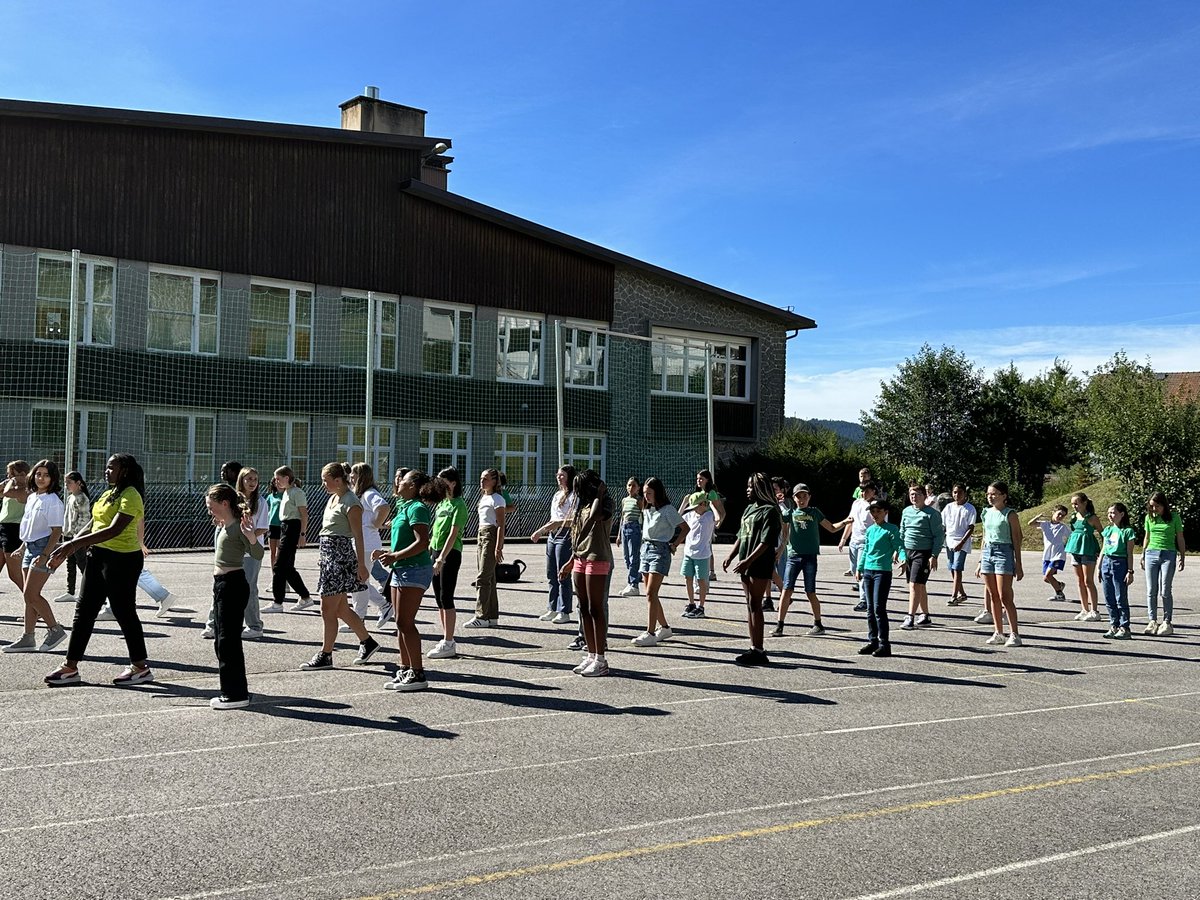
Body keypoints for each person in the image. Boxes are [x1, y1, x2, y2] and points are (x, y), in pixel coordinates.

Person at [45, 454, 153, 686]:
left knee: (124, 612)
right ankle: (70, 666)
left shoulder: (131, 495)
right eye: (106, 467)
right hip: (98, 556)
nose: (106, 471)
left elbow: (114, 529)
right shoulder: (108, 493)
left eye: (111, 467)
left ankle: (140, 667)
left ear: (124, 470)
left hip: (123, 560)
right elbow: (93, 523)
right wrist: (69, 543)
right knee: (83, 611)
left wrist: (74, 544)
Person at [298, 463, 379, 670]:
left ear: (337, 480)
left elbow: (358, 537)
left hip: (340, 557)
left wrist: (361, 565)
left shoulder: (352, 503)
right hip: (328, 556)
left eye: (326, 480)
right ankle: (367, 642)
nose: (323, 484)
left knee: (327, 608)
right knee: (341, 607)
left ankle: (326, 654)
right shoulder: (333, 497)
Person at [373, 469, 440, 691]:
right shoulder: (405, 506)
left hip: (414, 569)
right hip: (401, 568)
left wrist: (395, 556)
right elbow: (403, 542)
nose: (398, 482)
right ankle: (404, 669)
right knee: (400, 623)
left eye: (403, 479)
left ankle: (418, 674)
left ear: (412, 486)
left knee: (405, 622)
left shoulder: (418, 508)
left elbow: (422, 543)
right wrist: (387, 553)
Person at [204, 483, 263, 709]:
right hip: (222, 585)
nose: (209, 510)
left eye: (212, 505)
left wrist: (251, 537)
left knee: (228, 642)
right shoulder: (224, 525)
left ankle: (235, 694)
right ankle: (234, 690)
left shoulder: (239, 526)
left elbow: (257, 553)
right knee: (222, 641)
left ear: (224, 503)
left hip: (233, 584)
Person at [3, 460, 68, 653]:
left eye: (46, 475)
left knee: (31, 594)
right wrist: (23, 547)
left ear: (53, 478)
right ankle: (28, 638)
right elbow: (29, 526)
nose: (41, 478)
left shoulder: (53, 501)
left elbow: (56, 531)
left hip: (42, 549)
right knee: (28, 597)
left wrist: (45, 554)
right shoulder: (32, 497)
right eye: (38, 474)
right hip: (29, 547)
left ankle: (54, 629)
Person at [723, 473, 782, 667]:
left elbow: (767, 541)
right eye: (747, 486)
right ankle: (753, 647)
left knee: (756, 603)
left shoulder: (770, 510)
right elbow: (742, 535)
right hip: (745, 563)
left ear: (760, 488)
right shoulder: (749, 509)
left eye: (751, 486)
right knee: (749, 604)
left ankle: (759, 650)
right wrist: (731, 555)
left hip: (758, 563)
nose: (747, 490)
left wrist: (748, 560)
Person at [772, 483, 846, 637]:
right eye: (799, 496)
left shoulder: (814, 512)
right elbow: (776, 514)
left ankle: (818, 624)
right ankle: (779, 625)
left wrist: (845, 522)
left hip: (810, 557)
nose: (802, 499)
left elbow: (831, 528)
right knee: (786, 590)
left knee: (810, 591)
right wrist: (776, 500)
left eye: (805, 495)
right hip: (794, 556)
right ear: (794, 498)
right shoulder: (790, 513)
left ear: (809, 497)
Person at [563, 469, 615, 677]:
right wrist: (571, 560)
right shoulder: (582, 505)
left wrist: (600, 494)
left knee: (596, 608)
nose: (576, 492)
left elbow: (594, 518)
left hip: (598, 557)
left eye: (579, 488)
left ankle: (601, 659)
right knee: (583, 607)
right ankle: (591, 654)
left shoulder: (604, 503)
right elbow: (577, 537)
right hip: (581, 558)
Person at [632, 477, 688, 647]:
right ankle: (664, 628)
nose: (646, 496)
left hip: (660, 551)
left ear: (657, 492)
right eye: (644, 493)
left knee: (651, 593)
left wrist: (675, 544)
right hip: (646, 549)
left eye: (649, 493)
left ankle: (649, 632)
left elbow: (685, 528)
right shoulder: (647, 508)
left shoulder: (668, 510)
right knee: (651, 594)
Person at [975, 481, 1024, 647]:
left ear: (1004, 496)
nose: (990, 497)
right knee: (993, 594)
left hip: (1004, 552)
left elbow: (1017, 538)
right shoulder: (986, 513)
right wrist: (980, 560)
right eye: (988, 494)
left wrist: (1018, 563)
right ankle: (998, 632)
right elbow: (984, 536)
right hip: (988, 552)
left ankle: (1014, 634)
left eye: (994, 494)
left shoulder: (1010, 514)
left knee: (1005, 595)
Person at [428, 466, 468, 659]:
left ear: (452, 483)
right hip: (435, 550)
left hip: (449, 553)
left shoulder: (459, 505)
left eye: (442, 481)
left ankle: (449, 641)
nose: (438, 485)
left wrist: (441, 558)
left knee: (447, 596)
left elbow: (453, 534)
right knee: (438, 598)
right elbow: (436, 529)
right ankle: (446, 639)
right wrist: (431, 551)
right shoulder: (442, 503)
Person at [348, 462, 394, 630]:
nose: (351, 477)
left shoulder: (369, 493)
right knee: (359, 581)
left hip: (367, 544)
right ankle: (382, 606)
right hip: (362, 543)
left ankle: (360, 618)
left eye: (354, 474)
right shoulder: (361, 494)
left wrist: (376, 523)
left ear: (362, 476)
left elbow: (383, 507)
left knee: (359, 581)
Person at [530, 465, 577, 625]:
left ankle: (564, 611)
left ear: (570, 477)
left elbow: (576, 520)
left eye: (562, 475)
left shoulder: (575, 496)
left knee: (562, 573)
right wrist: (541, 531)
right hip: (553, 535)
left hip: (566, 534)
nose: (559, 477)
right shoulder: (557, 495)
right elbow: (553, 519)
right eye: (558, 475)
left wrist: (559, 523)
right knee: (551, 574)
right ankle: (552, 608)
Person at [856, 499, 903, 657]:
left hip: (882, 572)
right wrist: (859, 567)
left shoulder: (891, 529)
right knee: (869, 609)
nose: (875, 515)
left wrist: (903, 559)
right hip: (869, 571)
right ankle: (873, 641)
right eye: (873, 512)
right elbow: (866, 550)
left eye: (878, 511)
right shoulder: (870, 530)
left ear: (885, 512)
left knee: (878, 608)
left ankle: (884, 644)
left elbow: (899, 546)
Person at [898, 483, 945, 630]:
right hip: (909, 551)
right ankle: (925, 615)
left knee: (914, 585)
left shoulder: (932, 514)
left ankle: (910, 617)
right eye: (912, 494)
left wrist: (934, 555)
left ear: (924, 496)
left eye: (917, 494)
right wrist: (899, 551)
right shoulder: (906, 511)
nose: (914, 497)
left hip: (923, 553)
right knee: (920, 585)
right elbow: (902, 532)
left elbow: (938, 536)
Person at [265, 466, 312, 614]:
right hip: (284, 527)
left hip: (292, 527)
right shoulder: (285, 492)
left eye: (279, 478)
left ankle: (277, 602)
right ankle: (305, 597)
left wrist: (302, 534)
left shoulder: (297, 492)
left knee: (279, 566)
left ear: (287, 478)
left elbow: (304, 515)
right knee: (288, 567)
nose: (276, 481)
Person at [1141, 491, 1186, 636]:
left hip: (1168, 554)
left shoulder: (1174, 517)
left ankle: (1167, 622)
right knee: (1151, 590)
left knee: (1165, 590)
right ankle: (1152, 620)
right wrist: (1143, 554)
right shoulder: (1149, 518)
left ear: (1164, 505)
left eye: (1157, 506)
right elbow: (1147, 537)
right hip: (1151, 554)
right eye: (1152, 506)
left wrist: (1182, 555)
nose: (1154, 509)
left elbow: (1180, 537)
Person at [466, 468, 506, 628]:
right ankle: (492, 615)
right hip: (481, 533)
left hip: (490, 535)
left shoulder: (497, 499)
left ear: (495, 481)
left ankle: (481, 616)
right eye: (482, 478)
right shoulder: (484, 497)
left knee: (482, 577)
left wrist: (498, 547)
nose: (482, 481)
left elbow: (501, 525)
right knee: (489, 578)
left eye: (487, 479)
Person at [840, 482, 880, 612]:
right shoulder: (856, 503)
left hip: (866, 542)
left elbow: (881, 525)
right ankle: (869, 593)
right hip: (854, 541)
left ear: (874, 491)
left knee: (861, 571)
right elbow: (850, 521)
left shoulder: (876, 506)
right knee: (854, 570)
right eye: (862, 491)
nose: (864, 494)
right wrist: (843, 539)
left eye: (867, 491)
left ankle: (864, 600)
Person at [54, 470, 92, 604]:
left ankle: (91, 591)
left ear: (79, 483)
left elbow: (85, 519)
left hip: (77, 537)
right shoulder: (70, 497)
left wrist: (77, 535)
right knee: (70, 564)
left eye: (69, 483)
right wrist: (65, 532)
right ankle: (70, 592)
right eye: (65, 483)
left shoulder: (82, 498)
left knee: (82, 564)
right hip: (68, 535)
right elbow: (67, 517)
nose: (66, 485)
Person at [1100, 503, 1136, 640]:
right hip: (1106, 563)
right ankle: (1113, 625)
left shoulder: (1127, 531)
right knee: (1109, 598)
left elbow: (1129, 553)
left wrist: (1130, 571)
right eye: (1109, 513)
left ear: (1122, 514)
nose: (1110, 515)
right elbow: (1104, 549)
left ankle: (1124, 627)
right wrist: (1099, 567)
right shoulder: (1108, 530)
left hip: (1120, 563)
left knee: (1120, 597)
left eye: (1113, 513)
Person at [1064, 492, 1102, 623]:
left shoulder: (1092, 518)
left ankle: (1094, 611)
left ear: (1084, 503)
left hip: (1088, 550)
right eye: (1073, 504)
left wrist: (1103, 550)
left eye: (1077, 503)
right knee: (1080, 581)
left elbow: (1102, 534)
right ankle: (1084, 609)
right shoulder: (1074, 517)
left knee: (1088, 581)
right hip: (1075, 550)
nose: (1074, 506)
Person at [680, 492, 716, 619]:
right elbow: (677, 519)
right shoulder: (690, 515)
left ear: (703, 504)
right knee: (687, 578)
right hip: (688, 552)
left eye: (696, 506)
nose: (694, 509)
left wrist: (712, 504)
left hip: (702, 554)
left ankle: (701, 607)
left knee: (701, 581)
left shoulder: (709, 516)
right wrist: (684, 503)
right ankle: (691, 603)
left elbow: (718, 518)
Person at [941, 484, 977, 606]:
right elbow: (943, 525)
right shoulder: (948, 507)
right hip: (949, 541)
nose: (957, 495)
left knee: (957, 568)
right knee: (951, 567)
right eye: (955, 492)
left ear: (965, 494)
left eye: (960, 492)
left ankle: (954, 596)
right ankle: (962, 593)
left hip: (962, 542)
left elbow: (971, 528)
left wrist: (961, 543)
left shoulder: (970, 509)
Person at [0, 460, 31, 591]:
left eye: (11, 475)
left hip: (14, 530)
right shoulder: (11, 487)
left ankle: (33, 602)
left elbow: (7, 493)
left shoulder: (26, 490)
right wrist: (5, 483)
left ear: (23, 474)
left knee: (14, 575)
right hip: (3, 528)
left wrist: (11, 482)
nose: (8, 478)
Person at [1028, 506, 1069, 603]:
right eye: (1058, 514)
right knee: (1046, 578)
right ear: (1053, 512)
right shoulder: (1045, 524)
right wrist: (1037, 517)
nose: (1060, 516)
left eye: (1062, 516)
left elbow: (1072, 536)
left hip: (1058, 555)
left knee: (1049, 575)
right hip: (1047, 555)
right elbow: (1030, 524)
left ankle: (1060, 594)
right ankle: (1059, 585)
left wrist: (1067, 546)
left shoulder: (1063, 527)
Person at [763, 476, 792, 611]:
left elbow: (786, 530)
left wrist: (782, 547)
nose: (772, 492)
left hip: (779, 544)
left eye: (775, 489)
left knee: (778, 573)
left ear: (782, 490)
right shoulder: (767, 505)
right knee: (767, 571)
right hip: (767, 543)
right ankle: (768, 598)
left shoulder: (783, 507)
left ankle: (784, 596)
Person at [617, 477, 644, 597]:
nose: (631, 488)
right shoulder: (624, 500)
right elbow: (623, 517)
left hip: (635, 528)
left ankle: (633, 584)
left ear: (638, 488)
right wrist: (619, 535)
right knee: (627, 557)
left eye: (633, 485)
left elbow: (644, 515)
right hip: (625, 528)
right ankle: (637, 575)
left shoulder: (640, 500)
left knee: (634, 557)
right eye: (629, 485)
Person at [264, 476, 283, 569]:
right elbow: (265, 509)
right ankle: (274, 574)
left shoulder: (286, 495)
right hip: (272, 525)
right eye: (276, 481)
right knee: (272, 552)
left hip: (282, 525)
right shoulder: (271, 496)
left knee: (281, 552)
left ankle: (282, 577)